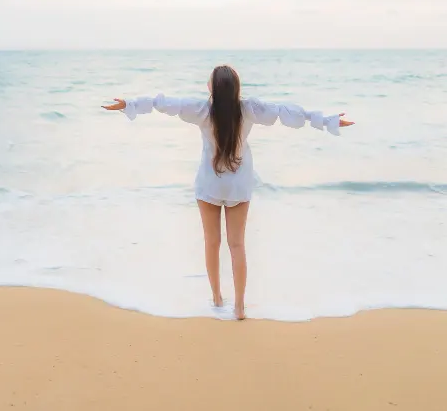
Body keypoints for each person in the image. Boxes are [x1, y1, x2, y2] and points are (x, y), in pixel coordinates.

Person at [103, 64, 354, 320]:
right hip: (238, 185)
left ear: (212, 87)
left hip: (209, 184)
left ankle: (217, 298)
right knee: (237, 245)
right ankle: (240, 307)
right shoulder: (249, 109)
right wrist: (328, 121)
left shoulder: (201, 110)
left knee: (212, 243)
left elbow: (165, 103)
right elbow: (286, 112)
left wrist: (129, 104)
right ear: (236, 87)